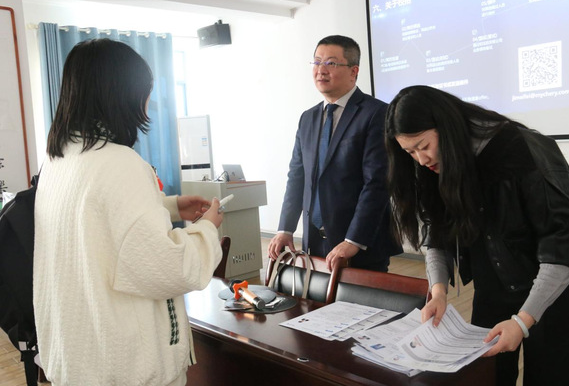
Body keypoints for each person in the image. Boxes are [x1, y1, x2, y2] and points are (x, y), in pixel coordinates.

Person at [33, 39, 224, 386]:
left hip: (77, 357)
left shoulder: (58, 159)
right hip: (124, 368)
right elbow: (168, 268)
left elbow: (97, 224)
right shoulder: (121, 163)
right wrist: (207, 230)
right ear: (124, 94)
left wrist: (167, 205)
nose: (149, 104)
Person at [384, 85, 569, 386]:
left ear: (446, 127)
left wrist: (522, 321)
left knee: (550, 373)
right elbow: (436, 232)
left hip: (554, 281)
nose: (421, 159)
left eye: (423, 146)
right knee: (488, 371)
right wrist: (438, 292)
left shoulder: (522, 151)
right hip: (494, 277)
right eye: (410, 152)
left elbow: (562, 247)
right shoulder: (433, 165)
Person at [268, 35, 400, 272]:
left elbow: (377, 183)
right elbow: (297, 176)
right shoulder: (307, 118)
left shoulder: (376, 113)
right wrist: (285, 229)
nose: (321, 70)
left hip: (360, 244)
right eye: (317, 62)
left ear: (353, 71)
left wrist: (353, 241)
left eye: (330, 63)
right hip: (314, 243)